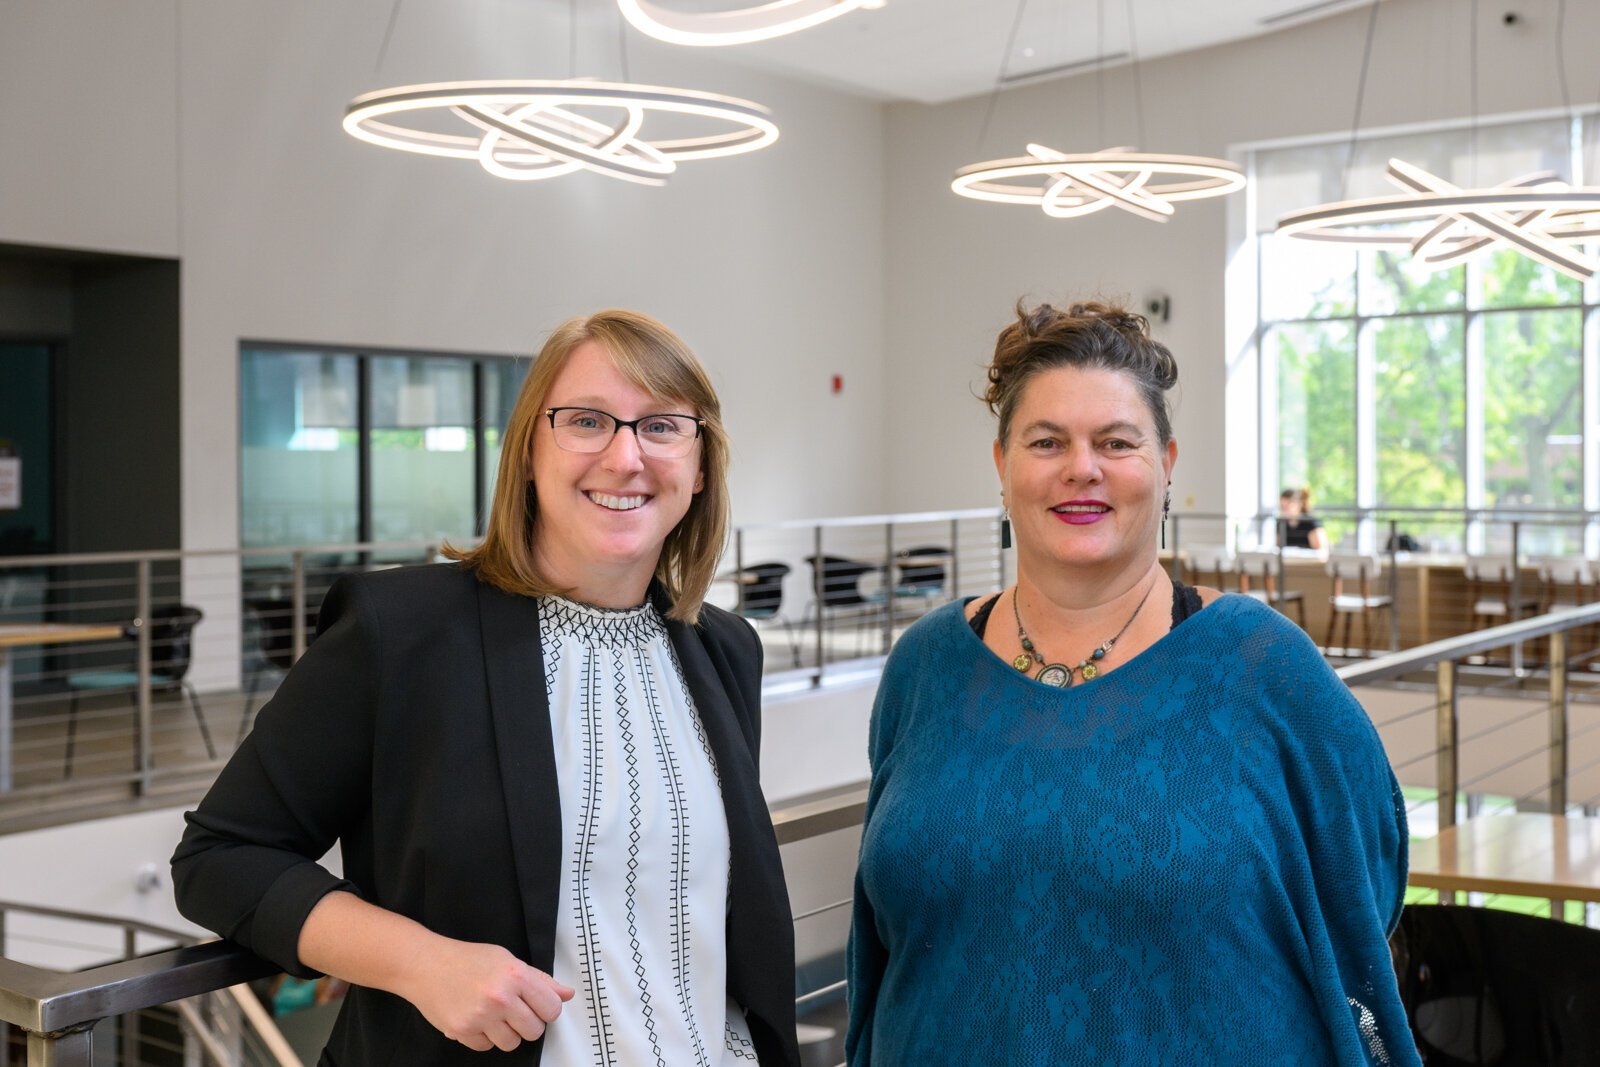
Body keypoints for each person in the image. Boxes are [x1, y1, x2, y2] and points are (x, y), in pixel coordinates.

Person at [172, 310, 799, 1066]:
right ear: (530, 451)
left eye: (662, 426)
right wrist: (420, 961)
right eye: (587, 420)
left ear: (699, 467)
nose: (626, 455)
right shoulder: (402, 632)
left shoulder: (726, 649)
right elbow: (222, 856)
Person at [845, 300, 1416, 1066]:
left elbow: (1366, 880)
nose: (1082, 467)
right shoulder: (924, 667)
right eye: (1047, 441)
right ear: (1001, 465)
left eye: (1116, 442)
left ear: (1167, 463)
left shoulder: (1263, 666)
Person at [1280, 486, 1328, 550]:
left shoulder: (1311, 522)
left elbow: (1320, 549)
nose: (1284, 511)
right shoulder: (1281, 523)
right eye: (1282, 507)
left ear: (1299, 504)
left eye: (1287, 506)